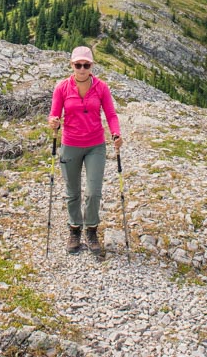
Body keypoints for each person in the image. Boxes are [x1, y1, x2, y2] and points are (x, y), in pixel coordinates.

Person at [48, 45, 123, 257]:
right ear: (71, 65)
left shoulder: (101, 88)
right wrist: (53, 122)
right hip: (70, 144)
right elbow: (54, 113)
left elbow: (111, 115)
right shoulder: (62, 88)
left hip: (95, 145)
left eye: (86, 65)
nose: (82, 69)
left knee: (93, 192)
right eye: (78, 65)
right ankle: (74, 230)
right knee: (72, 192)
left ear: (92, 66)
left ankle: (91, 230)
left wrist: (116, 134)